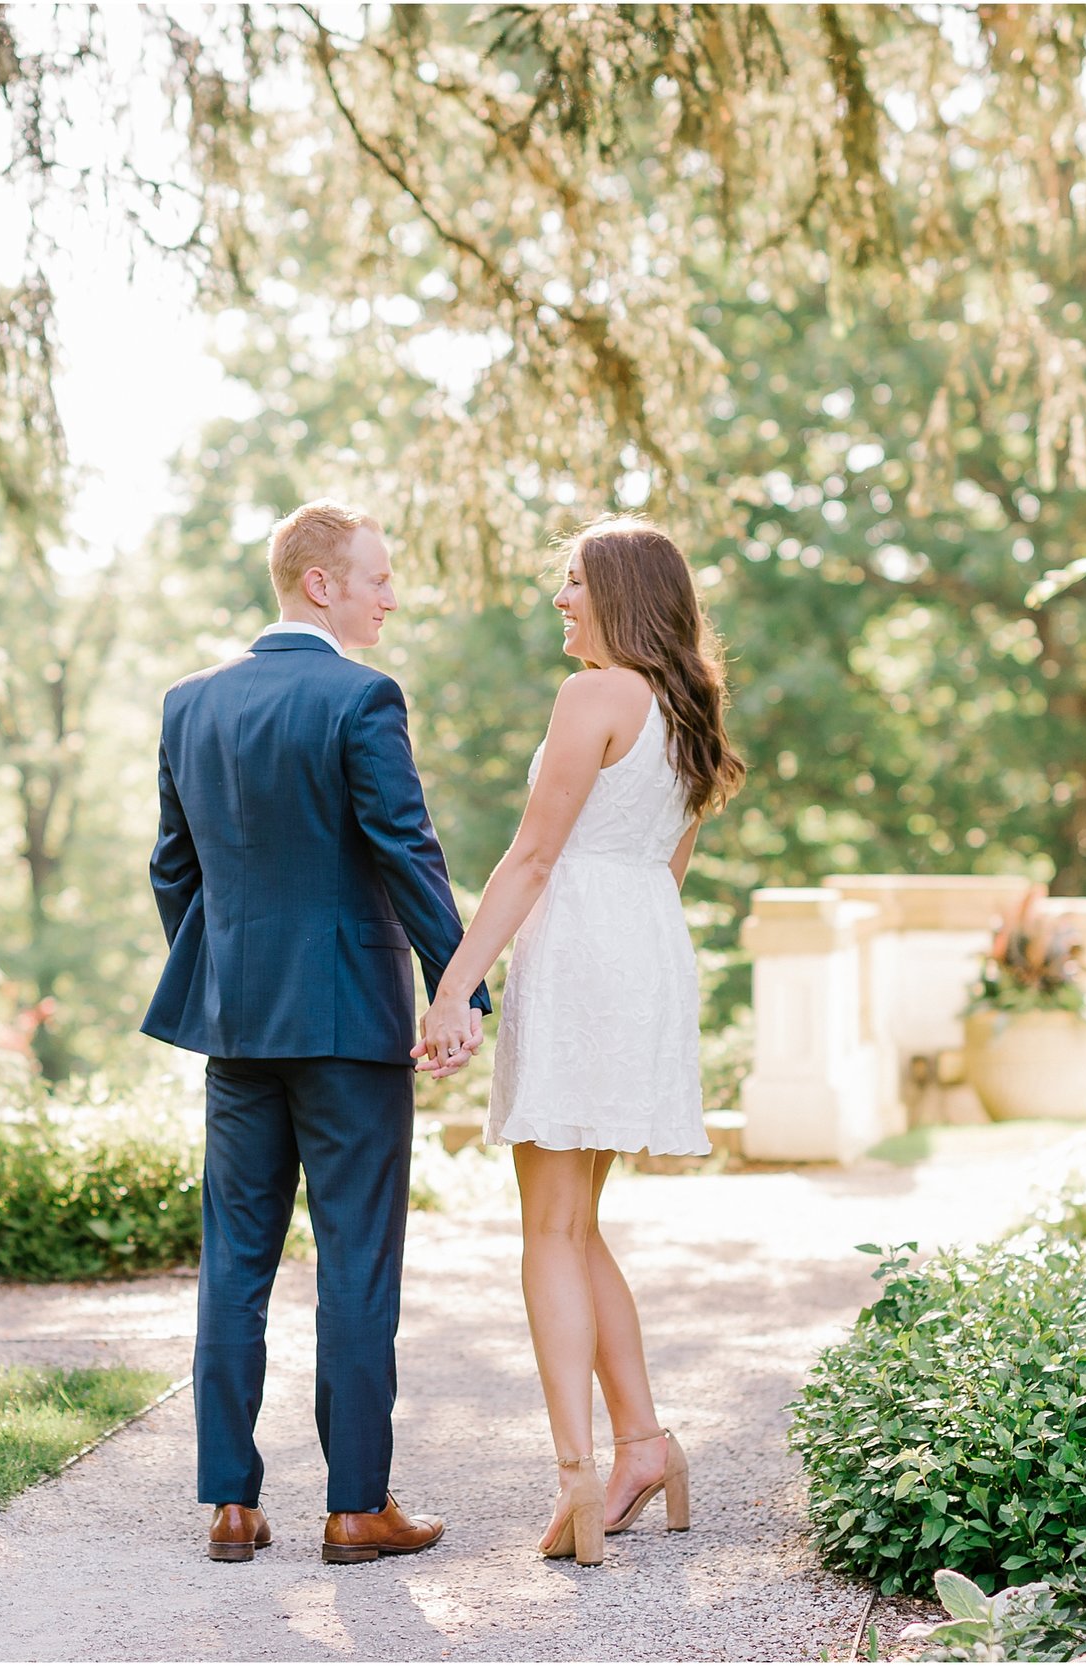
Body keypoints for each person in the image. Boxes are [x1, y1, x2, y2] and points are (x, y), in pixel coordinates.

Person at [142, 499, 490, 1566]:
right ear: (319, 583)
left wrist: (225, 971)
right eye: (378, 576)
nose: (391, 593)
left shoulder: (189, 703)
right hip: (346, 1026)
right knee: (356, 1262)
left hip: (237, 1029)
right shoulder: (361, 696)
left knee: (234, 1260)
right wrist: (459, 986)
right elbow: (405, 851)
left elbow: (172, 868)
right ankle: (354, 1506)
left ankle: (231, 1504)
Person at [419, 514, 744, 1567]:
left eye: (572, 583)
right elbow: (667, 865)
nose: (558, 601)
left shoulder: (592, 694)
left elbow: (529, 858)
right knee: (580, 1222)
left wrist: (453, 992)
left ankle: (575, 1477)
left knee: (549, 1231)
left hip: (580, 956)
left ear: (620, 595)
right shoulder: (689, 712)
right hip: (646, 953)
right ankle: (642, 1445)